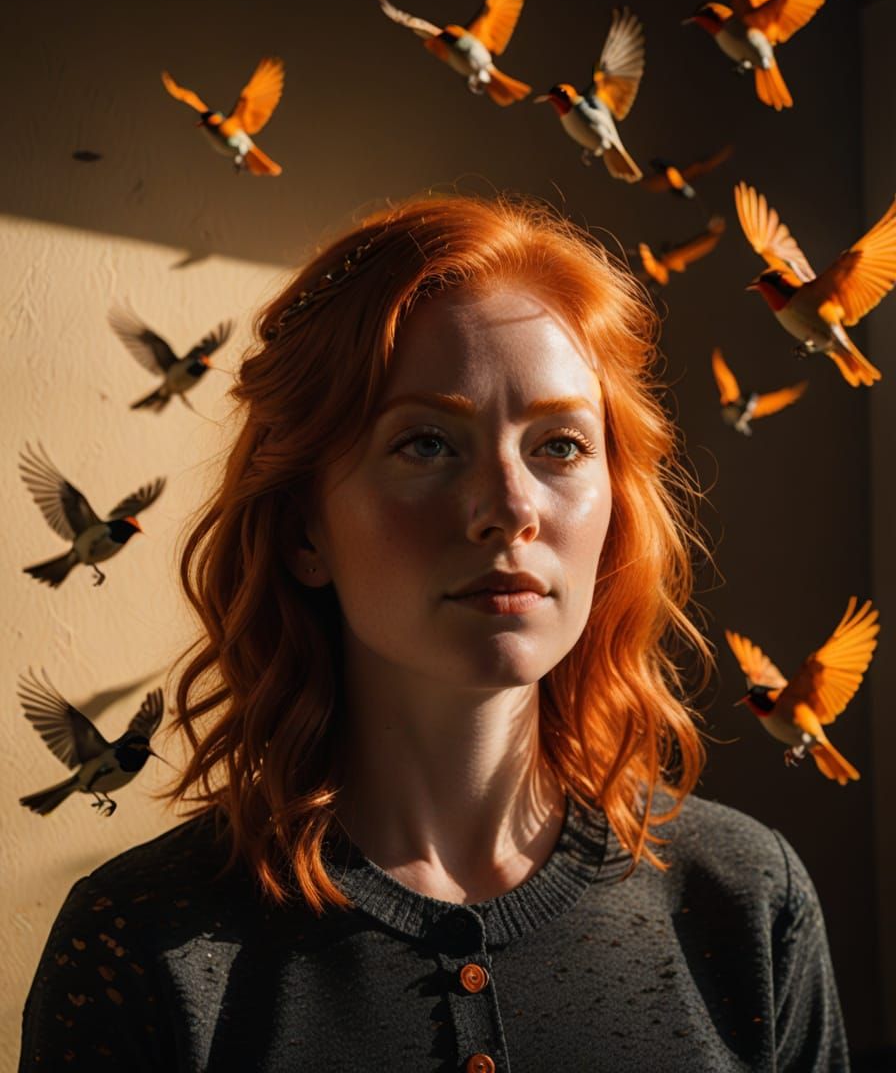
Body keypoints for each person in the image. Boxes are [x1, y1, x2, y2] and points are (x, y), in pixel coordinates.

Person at [19, 194, 848, 1071]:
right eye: (426, 444)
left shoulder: (745, 903)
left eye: (560, 445)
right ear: (304, 529)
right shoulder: (143, 945)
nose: (511, 509)